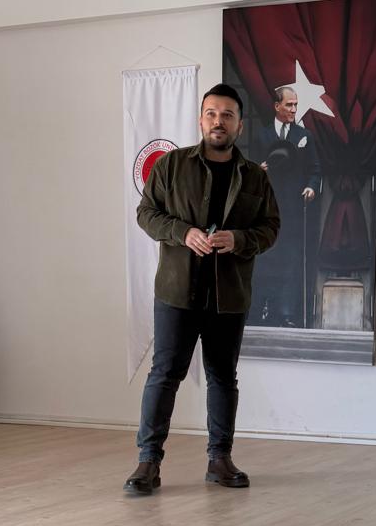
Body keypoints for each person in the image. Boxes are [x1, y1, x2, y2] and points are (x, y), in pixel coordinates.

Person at [125, 83, 279, 496]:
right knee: (164, 375)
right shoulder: (171, 166)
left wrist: (240, 239)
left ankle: (219, 460)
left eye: (227, 115)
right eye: (211, 113)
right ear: (200, 119)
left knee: (223, 378)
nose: (218, 121)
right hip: (177, 291)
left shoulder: (254, 176)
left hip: (229, 294)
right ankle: (148, 463)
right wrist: (183, 232)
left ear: (239, 125)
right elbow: (146, 213)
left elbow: (270, 228)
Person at [248, 84, 322, 326]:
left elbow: (315, 170)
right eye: (289, 105)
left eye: (295, 105)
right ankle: (262, 311)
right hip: (266, 211)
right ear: (276, 106)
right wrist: (258, 171)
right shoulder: (261, 136)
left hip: (293, 211)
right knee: (267, 259)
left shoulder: (304, 136)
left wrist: (311, 187)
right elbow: (248, 172)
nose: (293, 109)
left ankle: (287, 313)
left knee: (291, 260)